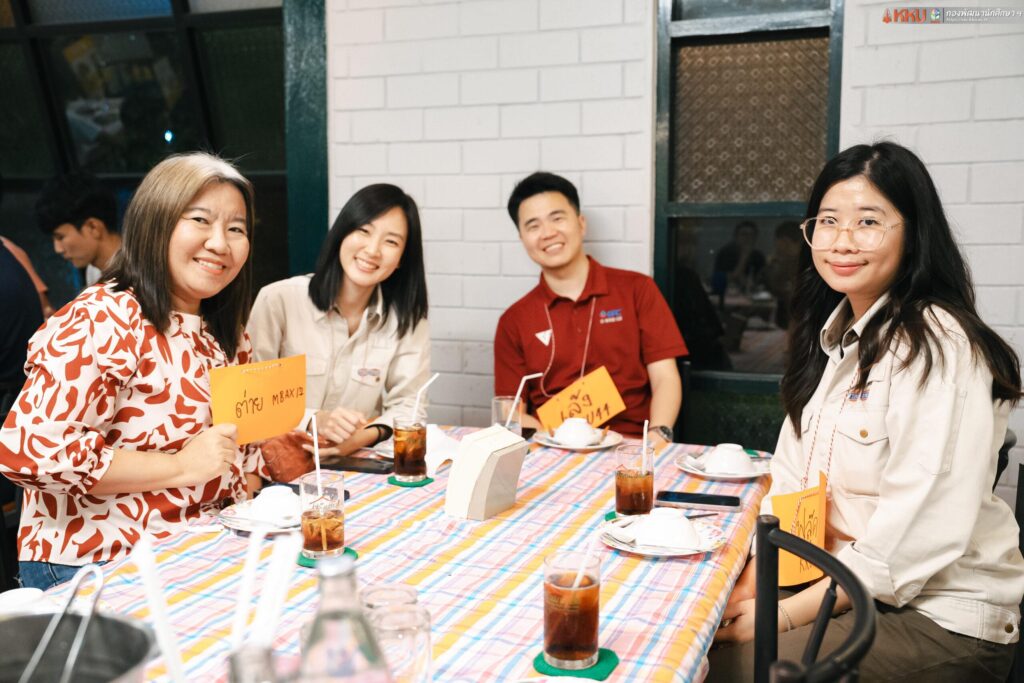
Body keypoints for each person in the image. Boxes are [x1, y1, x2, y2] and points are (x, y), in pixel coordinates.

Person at [709, 142, 1024, 680]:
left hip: (936, 614)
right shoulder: (835, 340)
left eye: (869, 222)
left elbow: (907, 546)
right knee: (695, 624)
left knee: (727, 668)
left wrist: (777, 616)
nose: (842, 241)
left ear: (914, 233)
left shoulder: (939, 347)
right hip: (837, 579)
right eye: (828, 221)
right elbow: (791, 485)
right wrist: (748, 588)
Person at [0, 152, 266, 591]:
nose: (221, 243)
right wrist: (179, 466)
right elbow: (29, 451)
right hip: (99, 556)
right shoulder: (103, 318)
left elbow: (241, 447)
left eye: (236, 228)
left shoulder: (228, 331)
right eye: (200, 220)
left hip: (199, 544)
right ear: (154, 223)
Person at [247, 184, 430, 480]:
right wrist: (314, 420)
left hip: (350, 468)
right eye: (364, 231)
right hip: (271, 471)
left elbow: (411, 403)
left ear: (401, 259)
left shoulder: (407, 319)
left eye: (391, 241)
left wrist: (359, 439)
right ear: (342, 234)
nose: (372, 250)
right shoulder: (278, 300)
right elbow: (248, 398)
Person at [494, 172, 687, 442]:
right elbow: (509, 409)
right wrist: (551, 440)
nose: (548, 233)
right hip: (552, 446)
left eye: (557, 218)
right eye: (533, 226)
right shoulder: (514, 320)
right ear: (522, 238)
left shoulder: (637, 289)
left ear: (581, 223)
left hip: (631, 444)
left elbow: (665, 377)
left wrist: (658, 435)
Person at [35, 172, 122, 287]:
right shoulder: (93, 271)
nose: (58, 249)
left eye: (60, 237)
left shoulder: (143, 271)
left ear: (93, 227)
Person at [711, 220, 766, 300]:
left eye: (751, 235)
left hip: (752, 298)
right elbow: (720, 280)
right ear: (736, 236)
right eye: (744, 234)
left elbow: (761, 282)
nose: (748, 238)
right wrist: (744, 257)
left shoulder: (758, 256)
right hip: (726, 297)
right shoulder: (726, 253)